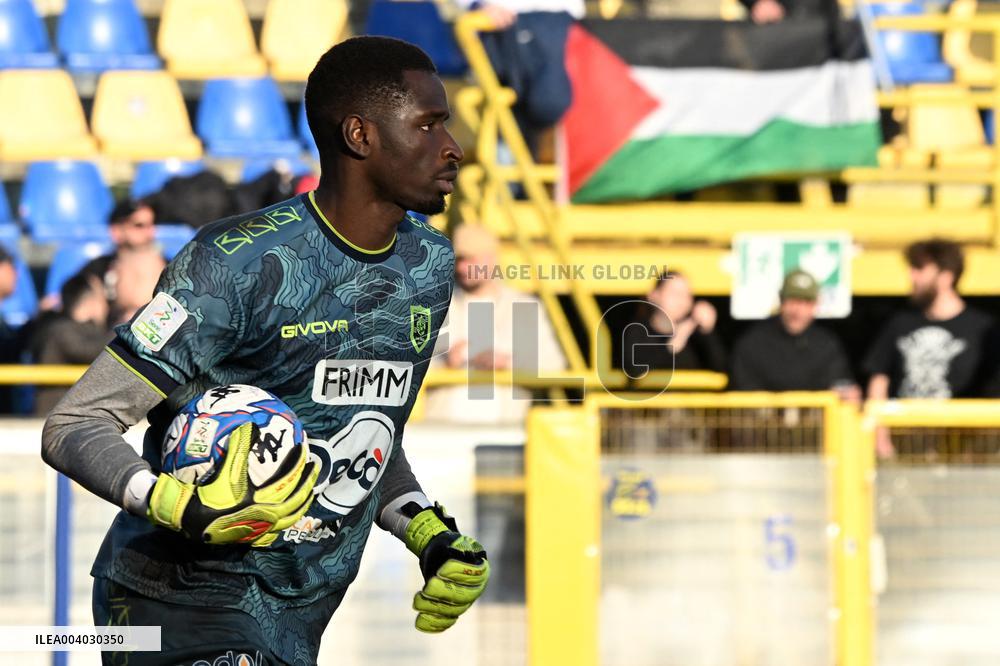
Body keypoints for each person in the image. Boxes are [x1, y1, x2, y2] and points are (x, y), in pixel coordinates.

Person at [42, 36, 489, 666]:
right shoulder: (234, 263)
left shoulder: (429, 265)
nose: (453, 147)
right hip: (176, 601)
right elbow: (75, 423)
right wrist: (173, 504)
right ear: (360, 136)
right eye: (427, 125)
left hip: (296, 617)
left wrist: (427, 531)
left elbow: (364, 433)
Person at [423, 223, 566, 423]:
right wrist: (445, 363)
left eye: (470, 259)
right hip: (441, 431)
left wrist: (507, 363)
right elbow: (405, 366)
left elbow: (554, 366)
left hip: (507, 432)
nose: (461, 267)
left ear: (491, 259)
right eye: (459, 260)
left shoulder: (524, 307)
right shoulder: (434, 306)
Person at [865, 239, 998, 401]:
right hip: (906, 417)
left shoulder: (983, 328)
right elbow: (879, 379)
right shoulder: (900, 323)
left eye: (919, 268)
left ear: (946, 276)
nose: (912, 276)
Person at [729, 269, 858, 396]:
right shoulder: (753, 343)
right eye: (793, 301)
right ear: (781, 301)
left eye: (806, 302)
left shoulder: (827, 345)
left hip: (815, 411)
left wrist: (847, 393)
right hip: (765, 411)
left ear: (816, 304)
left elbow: (842, 384)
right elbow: (743, 390)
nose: (798, 310)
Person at [32, 273, 110, 415]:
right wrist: (125, 331)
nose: (107, 306)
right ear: (90, 302)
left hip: (71, 415)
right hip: (54, 415)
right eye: (102, 299)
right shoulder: (61, 330)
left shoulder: (60, 327)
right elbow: (89, 352)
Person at [621, 271, 726, 377]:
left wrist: (708, 332)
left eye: (687, 294)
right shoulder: (638, 330)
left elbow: (722, 369)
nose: (681, 300)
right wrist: (671, 346)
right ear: (654, 295)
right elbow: (634, 371)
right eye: (675, 292)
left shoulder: (696, 333)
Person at [80, 199, 167, 325]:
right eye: (139, 225)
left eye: (152, 224)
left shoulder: (170, 268)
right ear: (116, 231)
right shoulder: (96, 269)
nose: (150, 232)